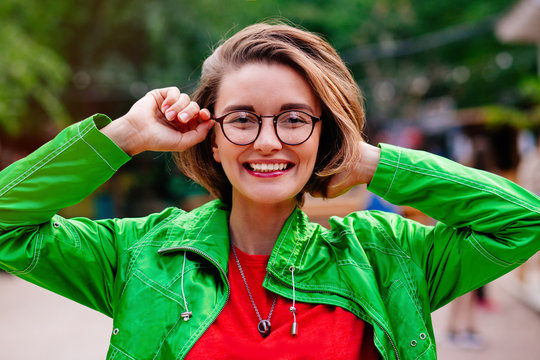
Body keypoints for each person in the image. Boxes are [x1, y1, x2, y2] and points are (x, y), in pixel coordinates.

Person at [0, 22, 539, 360]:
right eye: (241, 119)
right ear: (211, 139)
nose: (267, 141)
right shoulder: (138, 256)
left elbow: (524, 221)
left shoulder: (390, 257)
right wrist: (127, 136)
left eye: (294, 118)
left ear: (324, 131)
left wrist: (371, 161)